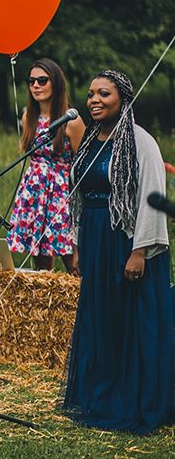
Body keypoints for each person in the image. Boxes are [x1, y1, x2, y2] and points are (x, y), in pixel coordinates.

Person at [63, 70, 174, 434]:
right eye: (91, 93)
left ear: (122, 99)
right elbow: (79, 198)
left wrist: (140, 250)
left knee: (130, 321)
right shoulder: (91, 142)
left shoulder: (141, 142)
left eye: (104, 94)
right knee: (102, 318)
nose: (94, 100)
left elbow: (152, 200)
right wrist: (77, 244)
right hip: (95, 240)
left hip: (126, 241)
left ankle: (135, 400)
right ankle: (102, 396)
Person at [7, 58, 85, 272]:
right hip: (34, 191)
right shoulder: (28, 117)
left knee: (74, 263)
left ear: (56, 83)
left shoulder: (71, 120)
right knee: (41, 267)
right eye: (31, 81)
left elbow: (84, 165)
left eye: (42, 80)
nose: (35, 86)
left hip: (61, 194)